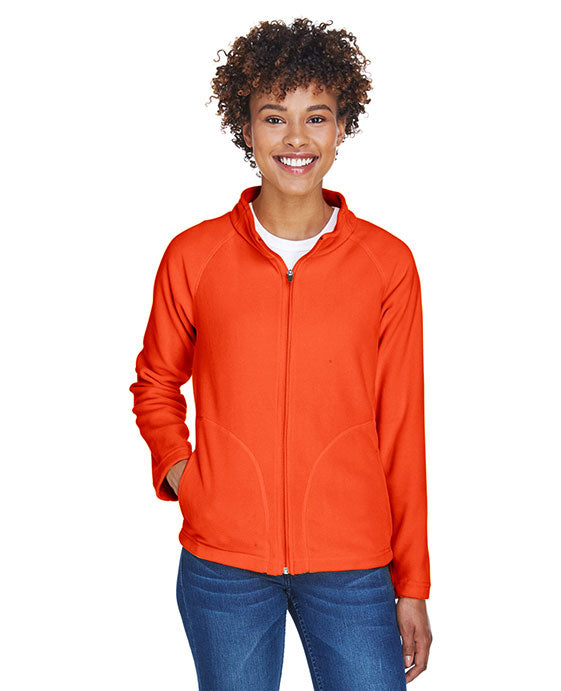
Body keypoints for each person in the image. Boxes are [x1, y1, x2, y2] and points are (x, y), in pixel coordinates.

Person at [129, 17, 432, 690]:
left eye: (316, 117)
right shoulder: (194, 255)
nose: (296, 139)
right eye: (275, 118)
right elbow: (155, 382)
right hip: (224, 567)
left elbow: (402, 427)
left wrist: (412, 583)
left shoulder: (387, 264)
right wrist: (187, 477)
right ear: (246, 128)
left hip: (354, 565)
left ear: (342, 126)